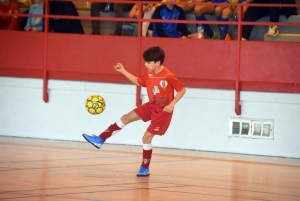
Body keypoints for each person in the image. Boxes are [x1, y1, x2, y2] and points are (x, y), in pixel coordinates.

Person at [82, 46, 186, 177]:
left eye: (148, 62)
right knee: (125, 118)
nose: (145, 64)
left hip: (163, 111)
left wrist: (171, 104)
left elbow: (182, 89)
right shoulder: (148, 73)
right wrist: (123, 71)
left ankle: (144, 167)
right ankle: (100, 139)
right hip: (150, 106)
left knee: (146, 138)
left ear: (158, 62)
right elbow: (139, 81)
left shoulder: (168, 76)